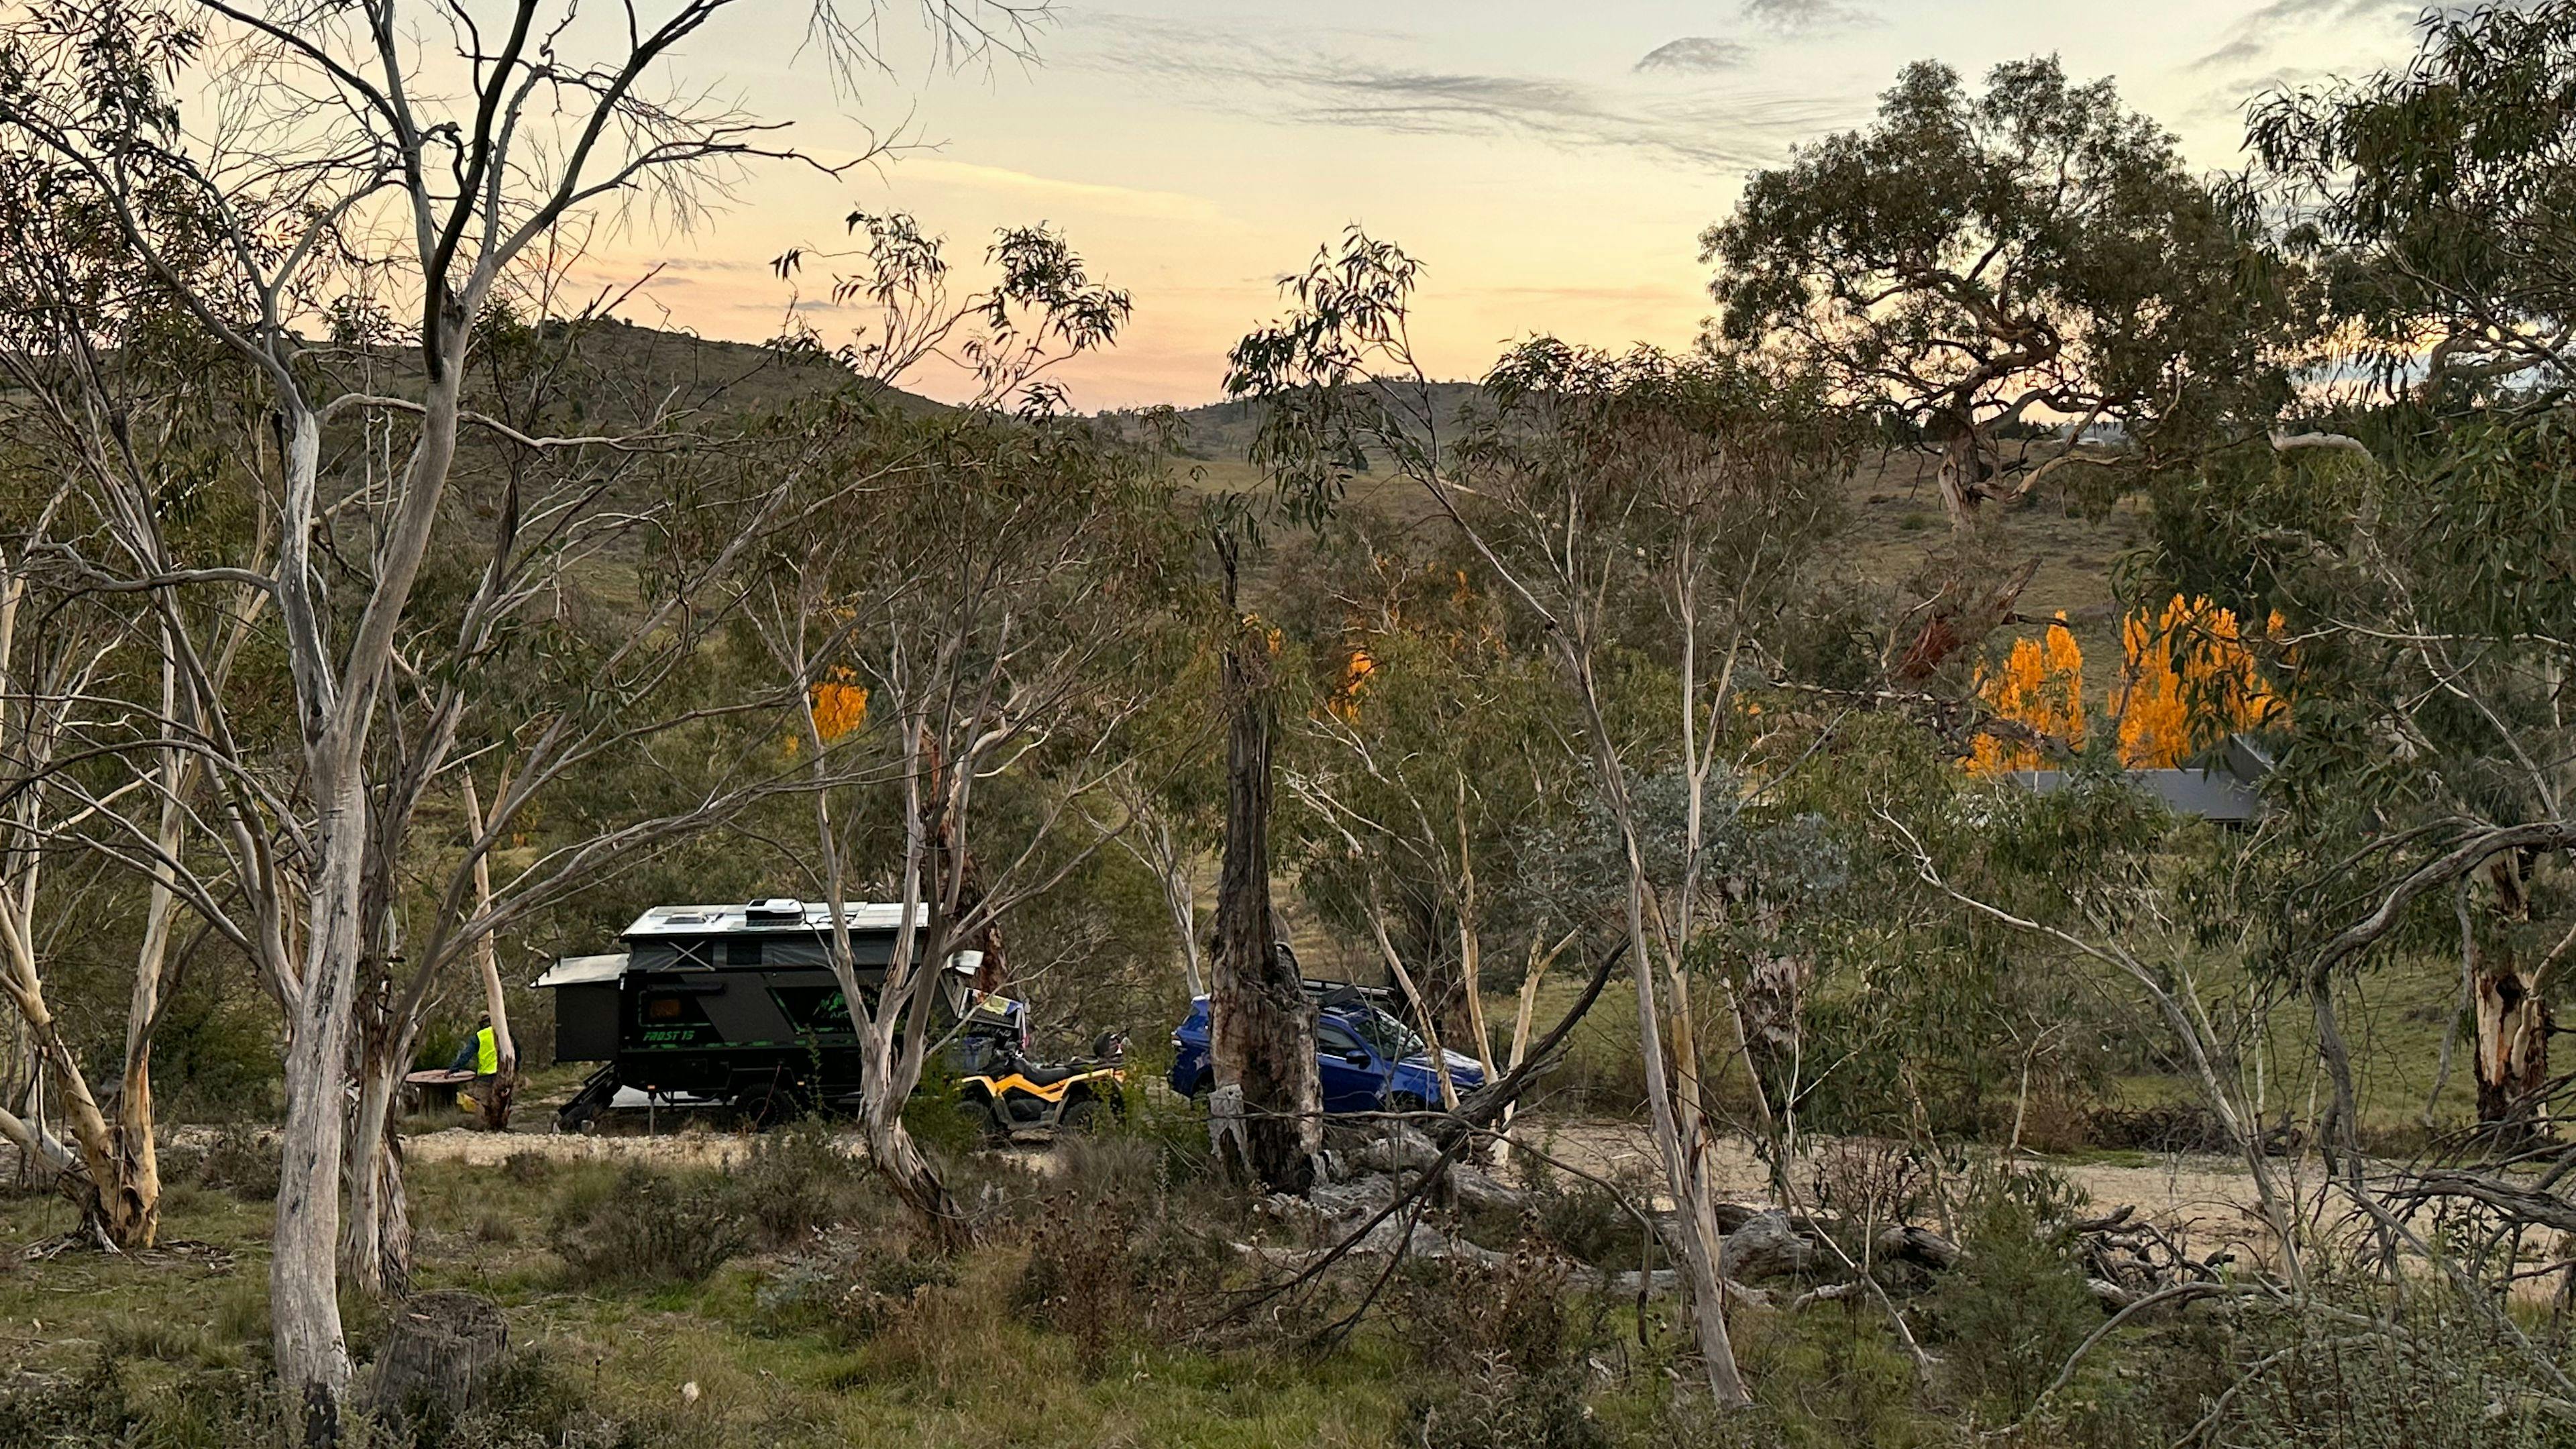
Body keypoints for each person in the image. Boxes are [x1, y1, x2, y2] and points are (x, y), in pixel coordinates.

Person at [449, 1013, 500, 1120]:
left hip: (485, 1075)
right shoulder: (502, 1032)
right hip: (502, 1074)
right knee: (500, 1100)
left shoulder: (479, 1036)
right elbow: (516, 1051)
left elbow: (466, 1055)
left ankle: (483, 1125)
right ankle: (500, 1125)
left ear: (480, 1023)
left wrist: (454, 1069)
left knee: (482, 1102)